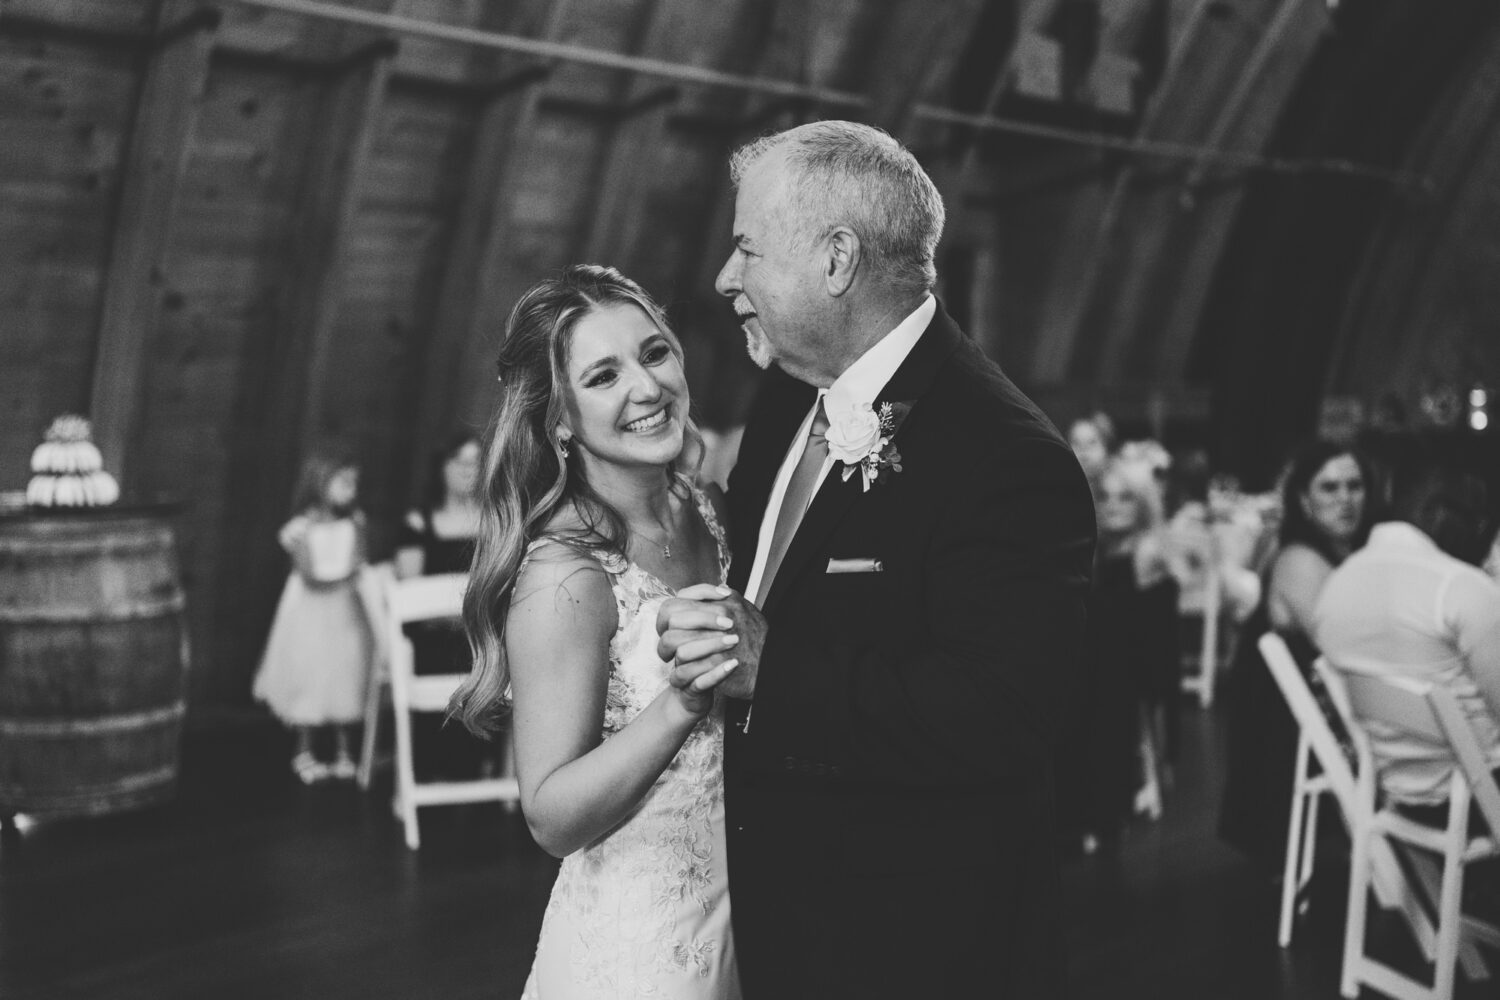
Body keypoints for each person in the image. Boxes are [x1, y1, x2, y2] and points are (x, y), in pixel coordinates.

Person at [655, 120, 1097, 997]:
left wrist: (771, 668)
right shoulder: (785, 391)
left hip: (907, 944)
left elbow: (1002, 716)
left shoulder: (1009, 458)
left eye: (746, 248)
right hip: (773, 913)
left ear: (835, 260)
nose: (723, 278)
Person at [449, 265, 742, 999]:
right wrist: (680, 704)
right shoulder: (566, 577)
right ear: (559, 419)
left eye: (654, 353)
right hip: (643, 952)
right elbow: (550, 817)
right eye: (603, 376)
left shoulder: (707, 509)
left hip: (741, 923)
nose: (647, 389)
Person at [1314, 459, 1500, 826]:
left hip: (1396, 795)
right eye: (1479, 523)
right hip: (1477, 799)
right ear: (1443, 516)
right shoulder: (1460, 587)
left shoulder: (1337, 584)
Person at [1218, 441, 1375, 868]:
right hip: (1282, 731)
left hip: (1324, 713)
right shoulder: (1300, 559)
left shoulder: (1349, 554)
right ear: (1304, 501)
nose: (1345, 498)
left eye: (1354, 485)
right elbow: (1347, 647)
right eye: (1329, 488)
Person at [253, 450, 376, 783]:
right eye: (344, 481)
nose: (351, 489)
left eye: (354, 483)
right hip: (310, 613)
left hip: (345, 613)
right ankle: (304, 750)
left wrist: (354, 575)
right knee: (310, 677)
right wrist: (344, 577)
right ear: (321, 483)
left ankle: (344, 750)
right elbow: (309, 573)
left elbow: (358, 557)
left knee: (343, 676)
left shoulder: (355, 522)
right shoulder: (302, 527)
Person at [394, 433, 495, 780]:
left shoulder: (494, 521)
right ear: (443, 466)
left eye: (477, 463)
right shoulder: (419, 522)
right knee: (446, 651)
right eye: (462, 462)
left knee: (493, 652)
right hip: (437, 634)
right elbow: (410, 590)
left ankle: (485, 763)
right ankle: (434, 766)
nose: (471, 471)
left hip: (483, 635)